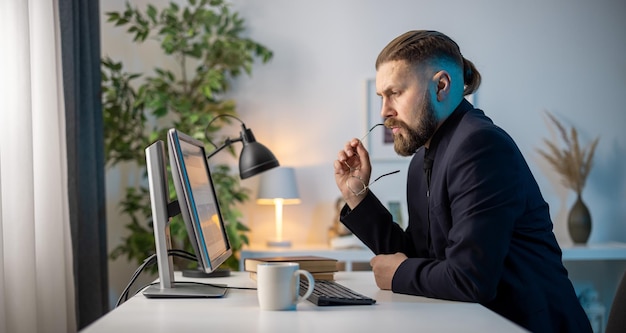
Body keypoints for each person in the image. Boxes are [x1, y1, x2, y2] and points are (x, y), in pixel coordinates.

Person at [334, 30, 592, 333]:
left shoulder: (480, 146)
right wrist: (357, 196)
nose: (384, 111)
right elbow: (417, 255)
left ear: (441, 86)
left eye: (396, 93)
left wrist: (400, 273)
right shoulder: (421, 161)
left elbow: (470, 279)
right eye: (381, 97)